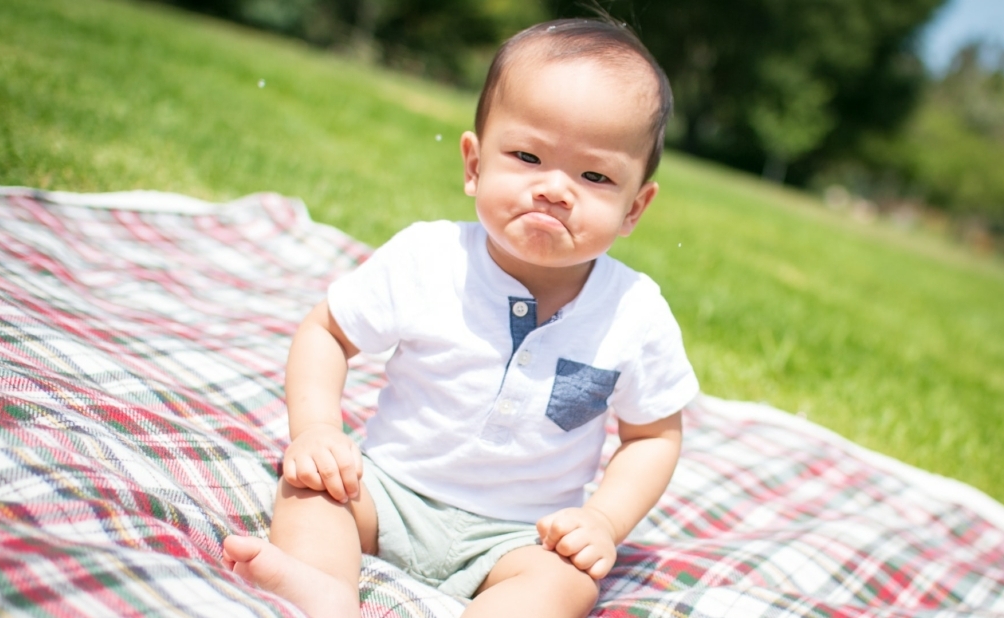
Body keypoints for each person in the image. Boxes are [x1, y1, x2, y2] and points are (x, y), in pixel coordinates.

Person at [222, 16, 698, 618]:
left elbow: (653, 434)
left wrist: (601, 519)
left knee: (566, 584)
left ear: (635, 207)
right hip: (385, 488)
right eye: (527, 156)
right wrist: (317, 429)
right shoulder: (429, 258)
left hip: (523, 534)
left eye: (595, 175)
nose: (555, 189)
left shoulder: (635, 313)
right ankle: (321, 590)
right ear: (474, 164)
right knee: (310, 493)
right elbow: (326, 332)